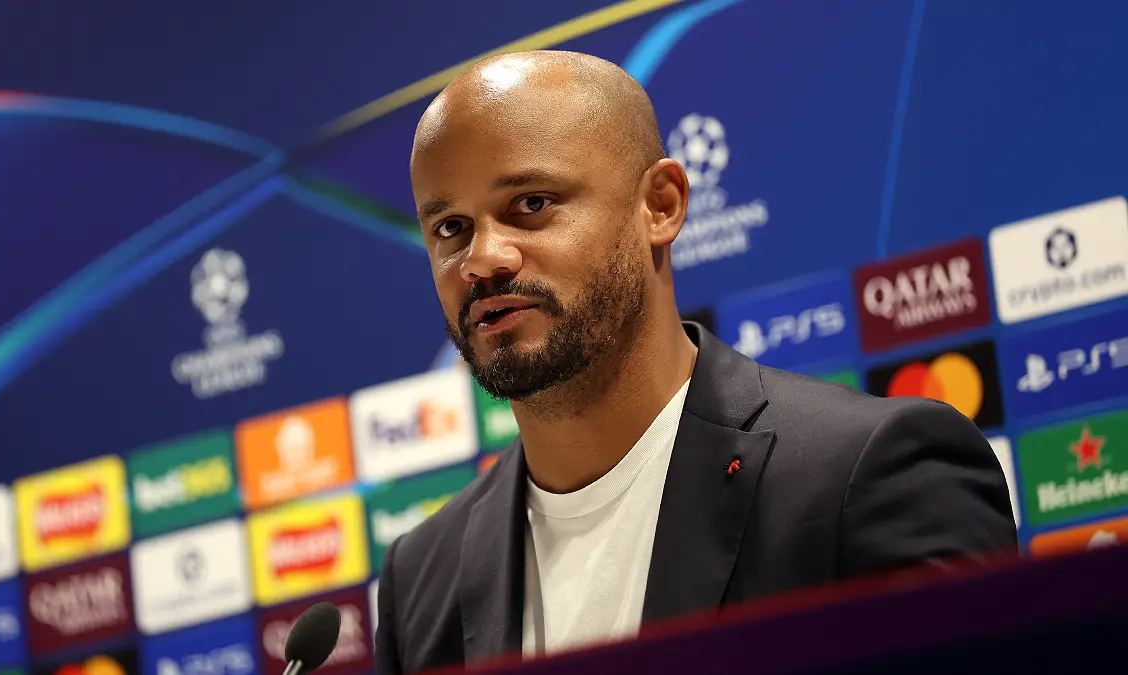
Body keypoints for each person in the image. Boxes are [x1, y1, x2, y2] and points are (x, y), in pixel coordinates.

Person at [374, 50, 1017, 675]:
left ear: (661, 205)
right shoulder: (422, 578)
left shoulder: (872, 474)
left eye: (532, 204)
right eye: (451, 229)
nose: (484, 258)